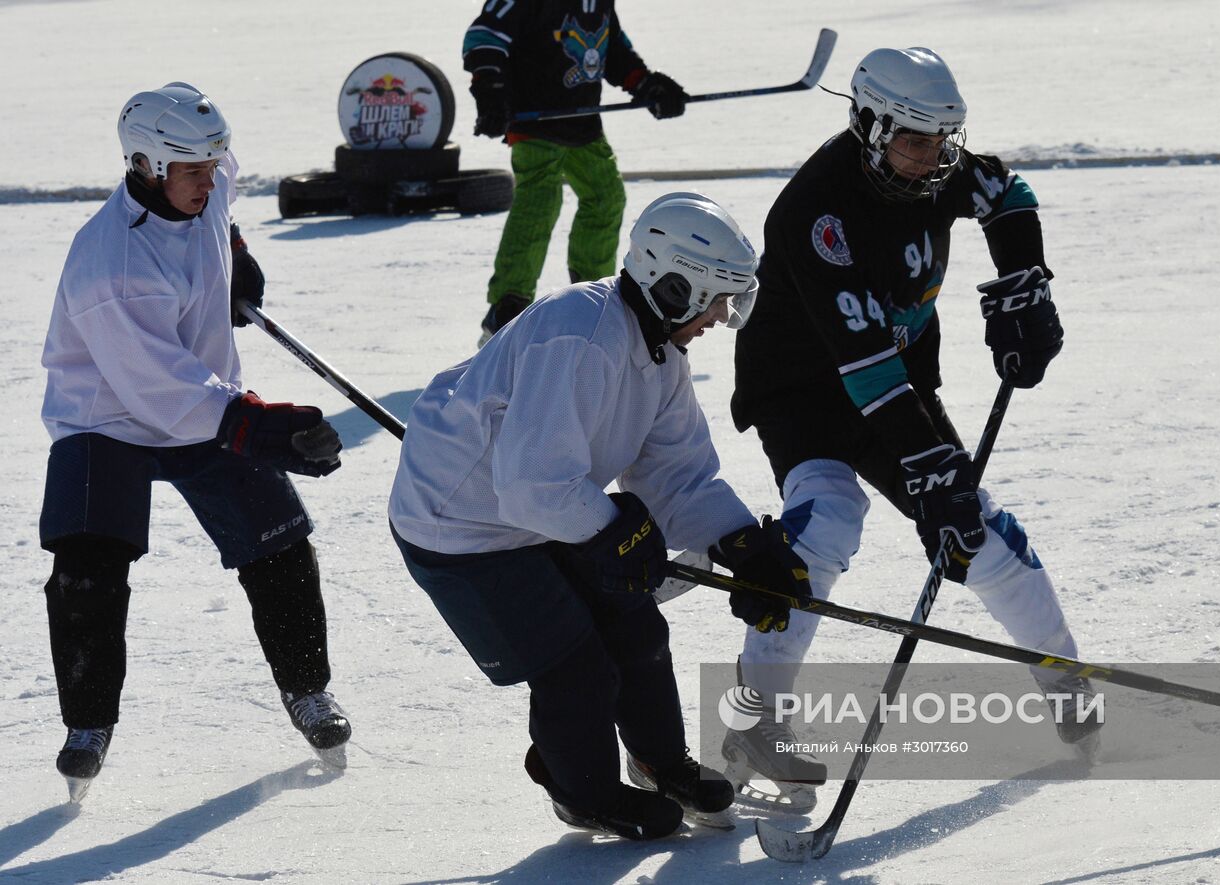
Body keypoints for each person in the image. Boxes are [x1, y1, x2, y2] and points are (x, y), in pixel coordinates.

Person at [723, 47, 1099, 812]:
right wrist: (930, 472)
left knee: (978, 530)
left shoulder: (930, 165)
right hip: (803, 389)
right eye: (916, 141)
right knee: (827, 520)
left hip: (897, 377)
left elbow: (1006, 188)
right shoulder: (814, 213)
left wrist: (1025, 281)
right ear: (868, 125)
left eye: (943, 141)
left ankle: (1065, 676)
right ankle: (755, 723)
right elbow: (862, 368)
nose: (934, 161)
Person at [388, 192, 812, 840]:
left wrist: (743, 545)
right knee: (575, 661)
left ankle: (659, 761)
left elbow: (678, 474)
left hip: (547, 508)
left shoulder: (661, 357)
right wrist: (615, 530)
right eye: (716, 298)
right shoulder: (581, 333)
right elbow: (530, 484)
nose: (722, 317)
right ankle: (580, 791)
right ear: (673, 286)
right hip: (462, 524)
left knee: (635, 625)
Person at [39, 83, 351, 801]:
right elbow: (162, 391)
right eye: (193, 172)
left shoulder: (201, 179)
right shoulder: (110, 266)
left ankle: (309, 691)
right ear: (144, 167)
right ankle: (87, 725)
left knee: (279, 542)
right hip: (107, 415)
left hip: (200, 395)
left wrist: (232, 247)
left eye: (213, 167)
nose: (209, 182)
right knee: (88, 567)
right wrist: (261, 427)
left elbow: (222, 180)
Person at [462, 0, 689, 346]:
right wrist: (490, 90)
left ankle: (591, 299)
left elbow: (612, 49)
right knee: (540, 201)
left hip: (583, 125)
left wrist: (646, 84)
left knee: (606, 197)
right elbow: (483, 37)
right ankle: (508, 305)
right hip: (534, 121)